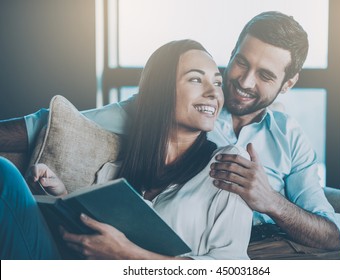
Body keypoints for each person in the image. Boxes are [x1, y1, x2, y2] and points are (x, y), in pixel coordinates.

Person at [2, 12, 340, 259]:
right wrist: (60, 195)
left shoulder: (287, 137)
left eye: (266, 75)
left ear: (288, 85)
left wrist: (269, 200)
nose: (242, 82)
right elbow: (53, 123)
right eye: (240, 63)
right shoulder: (166, 114)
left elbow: (331, 236)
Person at [0, 39, 253, 260]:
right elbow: (90, 240)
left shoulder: (229, 166)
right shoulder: (115, 169)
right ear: (161, 89)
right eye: (196, 79)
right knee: (6, 177)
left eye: (217, 82)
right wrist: (60, 198)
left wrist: (129, 256)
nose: (213, 93)